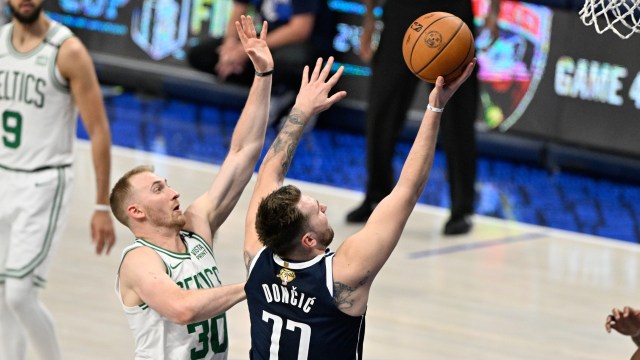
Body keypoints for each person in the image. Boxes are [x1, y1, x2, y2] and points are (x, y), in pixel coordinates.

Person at [243, 54, 476, 358]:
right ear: (309, 240)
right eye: (317, 212)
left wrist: (301, 109)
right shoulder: (343, 273)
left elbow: (268, 175)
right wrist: (435, 107)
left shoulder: (256, 257)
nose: (324, 208)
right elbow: (406, 192)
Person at [110, 16, 272, 359]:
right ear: (135, 212)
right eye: (158, 190)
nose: (174, 193)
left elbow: (243, 153)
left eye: (166, 185)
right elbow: (181, 309)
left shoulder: (197, 227)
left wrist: (262, 75)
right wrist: (252, 286)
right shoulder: (139, 261)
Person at [0, 0, 115, 358]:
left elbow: (98, 130)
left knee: (19, 293)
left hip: (44, 184)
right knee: (3, 295)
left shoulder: (68, 51)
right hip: (4, 175)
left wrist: (100, 206)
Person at [346, 0, 501, 236]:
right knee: (381, 113)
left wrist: (494, 12)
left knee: (458, 121)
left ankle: (462, 209)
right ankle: (375, 197)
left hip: (452, 14)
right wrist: (369, 19)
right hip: (402, 13)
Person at [187, 0, 335, 125]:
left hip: (298, 45)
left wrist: (246, 51)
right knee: (202, 55)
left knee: (291, 61)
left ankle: (293, 99)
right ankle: (263, 91)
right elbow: (237, 14)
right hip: (263, 42)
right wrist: (230, 47)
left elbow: (300, 30)